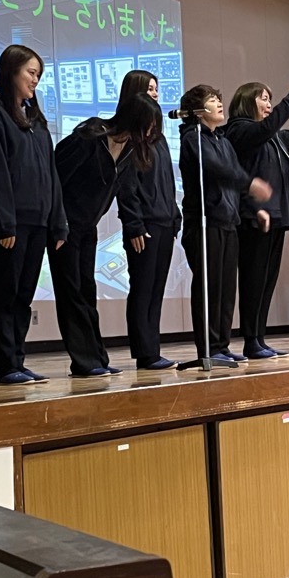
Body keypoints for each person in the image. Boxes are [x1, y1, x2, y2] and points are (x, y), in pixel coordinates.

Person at [0, 44, 68, 385]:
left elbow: (51, 175)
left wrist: (58, 222)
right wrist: (4, 222)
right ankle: (5, 364)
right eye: (31, 73)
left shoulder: (36, 121)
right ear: (11, 72)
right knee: (4, 293)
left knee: (23, 296)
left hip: (37, 221)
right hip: (7, 223)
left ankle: (17, 360)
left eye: (38, 75)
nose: (35, 80)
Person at [50, 92, 164, 377]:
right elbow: (55, 177)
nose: (150, 132)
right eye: (148, 125)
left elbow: (123, 191)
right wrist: (58, 223)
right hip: (64, 227)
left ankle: (96, 358)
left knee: (87, 291)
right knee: (71, 293)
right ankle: (84, 361)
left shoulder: (127, 150)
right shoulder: (90, 136)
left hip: (87, 228)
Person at [227, 72, 289, 359]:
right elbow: (268, 128)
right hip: (254, 217)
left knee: (266, 281)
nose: (269, 104)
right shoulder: (240, 130)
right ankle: (251, 340)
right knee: (253, 280)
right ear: (247, 102)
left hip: (276, 217)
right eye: (264, 98)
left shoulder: (274, 138)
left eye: (271, 99)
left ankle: (259, 338)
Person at [178, 84, 271, 362]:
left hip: (228, 221)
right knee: (209, 287)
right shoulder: (193, 138)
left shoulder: (223, 141)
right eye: (212, 100)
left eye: (219, 99)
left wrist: (254, 208)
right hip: (205, 222)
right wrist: (250, 183)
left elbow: (234, 177)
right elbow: (218, 170)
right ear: (197, 110)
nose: (219, 104)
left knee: (226, 288)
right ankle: (208, 348)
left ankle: (221, 345)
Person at [115, 71, 183, 370]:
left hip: (165, 222)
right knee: (142, 289)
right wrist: (134, 225)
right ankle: (145, 352)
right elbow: (127, 188)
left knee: (156, 290)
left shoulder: (159, 139)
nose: (155, 94)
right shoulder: (128, 139)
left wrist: (175, 215)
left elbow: (167, 182)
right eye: (150, 89)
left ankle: (153, 349)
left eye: (157, 89)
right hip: (144, 226)